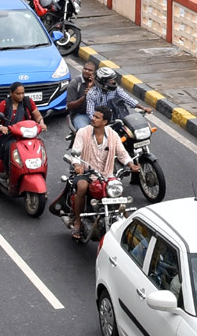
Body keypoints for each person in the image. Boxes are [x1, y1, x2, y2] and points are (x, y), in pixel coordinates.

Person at [64, 107, 137, 239]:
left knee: (117, 191)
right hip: (86, 173)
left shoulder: (113, 135)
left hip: (106, 174)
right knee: (82, 186)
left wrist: (131, 164)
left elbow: (122, 153)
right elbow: (76, 152)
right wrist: (77, 165)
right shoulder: (83, 132)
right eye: (94, 116)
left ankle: (127, 223)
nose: (93, 118)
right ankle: (78, 223)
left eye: (97, 117)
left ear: (105, 122)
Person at [0, 83, 46, 169]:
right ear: (11, 93)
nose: (21, 96)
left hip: (27, 135)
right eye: (18, 94)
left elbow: (37, 116)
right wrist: (1, 127)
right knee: (9, 150)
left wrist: (41, 123)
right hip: (10, 136)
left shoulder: (28, 102)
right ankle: (9, 172)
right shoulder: (4, 104)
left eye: (23, 93)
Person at [86, 65, 151, 125]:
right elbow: (90, 113)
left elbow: (128, 99)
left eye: (113, 79)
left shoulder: (116, 89)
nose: (113, 82)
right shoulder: (92, 93)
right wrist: (99, 122)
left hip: (117, 120)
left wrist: (143, 108)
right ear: (103, 81)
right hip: (101, 123)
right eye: (110, 80)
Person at [66, 59, 97, 130]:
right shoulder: (75, 83)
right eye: (85, 69)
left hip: (96, 114)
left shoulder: (97, 83)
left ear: (94, 72)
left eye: (90, 70)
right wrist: (85, 97)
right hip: (80, 115)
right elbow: (70, 105)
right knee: (85, 132)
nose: (86, 71)